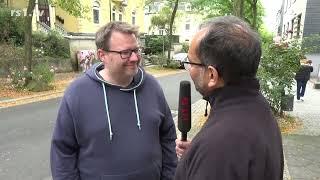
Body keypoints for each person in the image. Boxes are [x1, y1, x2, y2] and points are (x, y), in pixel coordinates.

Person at [50, 21, 177, 180]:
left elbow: (168, 137)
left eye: (136, 50)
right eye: (125, 52)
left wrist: (169, 176)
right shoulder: (77, 93)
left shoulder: (151, 86)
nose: (135, 58)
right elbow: (63, 152)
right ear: (102, 55)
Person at [174, 16, 284, 180]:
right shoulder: (258, 107)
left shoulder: (217, 147)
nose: (189, 69)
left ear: (212, 75)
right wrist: (196, 155)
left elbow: (225, 154)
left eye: (191, 63)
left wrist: (207, 157)